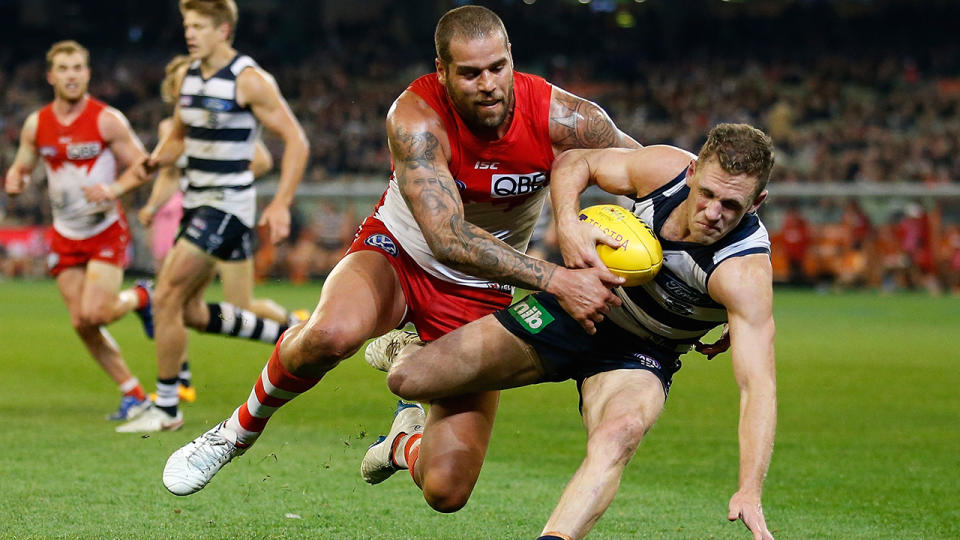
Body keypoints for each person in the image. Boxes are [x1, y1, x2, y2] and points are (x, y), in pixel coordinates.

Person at [161, 5, 639, 497]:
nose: (489, 84)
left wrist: (706, 278)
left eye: (497, 67)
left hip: (484, 289)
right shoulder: (415, 116)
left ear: (511, 57)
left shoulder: (565, 117)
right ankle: (235, 433)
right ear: (442, 72)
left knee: (446, 490)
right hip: (400, 255)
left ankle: (400, 443)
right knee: (328, 334)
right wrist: (558, 278)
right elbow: (447, 239)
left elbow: (650, 177)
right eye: (470, 73)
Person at [371, 123, 778, 540]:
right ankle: (407, 396)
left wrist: (750, 488)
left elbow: (757, 386)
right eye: (707, 194)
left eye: (731, 204)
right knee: (408, 378)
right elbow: (573, 162)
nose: (713, 213)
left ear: (757, 201)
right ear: (692, 173)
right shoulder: (664, 171)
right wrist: (568, 223)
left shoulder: (743, 273)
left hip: (641, 356)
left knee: (620, 434)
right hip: (570, 308)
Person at [99, 0, 309, 432]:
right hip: (197, 204)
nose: (189, 33)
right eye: (186, 25)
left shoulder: (249, 80)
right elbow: (178, 135)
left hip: (226, 206)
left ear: (224, 30)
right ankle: (291, 338)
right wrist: (151, 165)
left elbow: (296, 140)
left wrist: (281, 202)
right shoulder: (192, 76)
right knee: (191, 311)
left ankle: (167, 407)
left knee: (165, 297)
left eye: (198, 26)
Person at [136, 54, 307, 404]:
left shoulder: (225, 117)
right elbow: (168, 175)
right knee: (176, 299)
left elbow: (261, 159)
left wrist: (225, 178)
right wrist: (153, 206)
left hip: (223, 213)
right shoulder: (172, 131)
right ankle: (179, 380)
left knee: (225, 300)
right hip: (193, 213)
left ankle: (294, 328)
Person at [3, 40, 154, 421]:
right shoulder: (37, 124)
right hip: (65, 234)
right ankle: (133, 393)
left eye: (78, 68)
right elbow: (22, 164)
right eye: (64, 69)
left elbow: (142, 164)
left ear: (88, 74)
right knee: (81, 322)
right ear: (51, 76)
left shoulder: (107, 119)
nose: (71, 75)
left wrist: (114, 190)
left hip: (104, 229)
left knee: (98, 312)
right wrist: (15, 177)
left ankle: (142, 296)